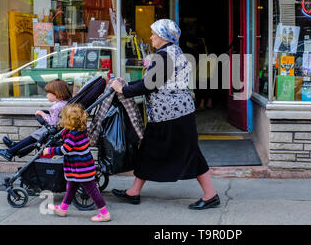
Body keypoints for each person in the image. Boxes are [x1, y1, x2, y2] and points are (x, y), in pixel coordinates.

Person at [109, 18, 220, 210]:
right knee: (149, 150)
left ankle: (210, 195)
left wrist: (123, 90)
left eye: (154, 33)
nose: (151, 37)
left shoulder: (164, 56)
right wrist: (127, 86)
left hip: (172, 116)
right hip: (170, 114)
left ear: (163, 36)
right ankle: (134, 192)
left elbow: (149, 85)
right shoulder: (171, 52)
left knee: (190, 153)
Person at [42, 103, 111, 222]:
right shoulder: (81, 129)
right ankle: (63, 209)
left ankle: (105, 214)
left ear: (69, 121)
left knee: (92, 190)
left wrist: (50, 150)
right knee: (71, 187)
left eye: (63, 118)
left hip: (81, 168)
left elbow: (65, 149)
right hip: (79, 166)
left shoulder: (72, 135)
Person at [0, 78, 71, 161]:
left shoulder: (56, 107)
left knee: (33, 137)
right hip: (59, 128)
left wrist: (42, 114)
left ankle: (10, 152)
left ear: (56, 94)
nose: (46, 95)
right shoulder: (65, 103)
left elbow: (52, 122)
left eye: (48, 93)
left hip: (53, 130)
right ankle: (15, 146)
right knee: (33, 136)